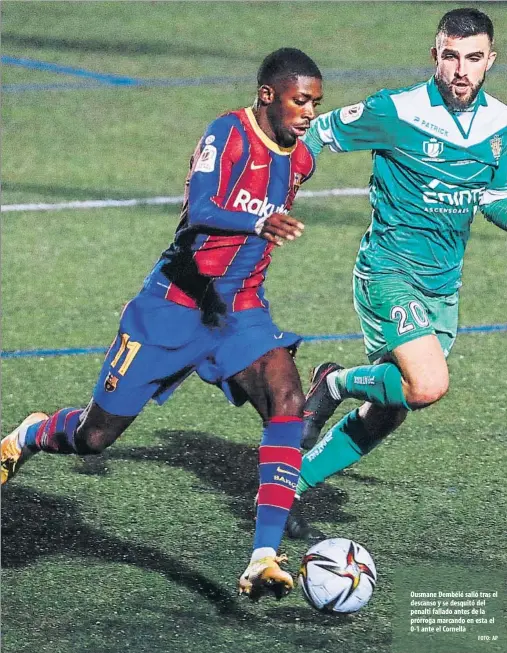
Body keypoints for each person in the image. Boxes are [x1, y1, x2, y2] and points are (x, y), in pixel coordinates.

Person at [1, 48, 324, 599]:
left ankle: (263, 555)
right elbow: (200, 209)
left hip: (238, 309)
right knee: (94, 437)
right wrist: (258, 220)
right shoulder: (227, 134)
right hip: (170, 307)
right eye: (301, 100)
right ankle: (30, 433)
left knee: (286, 398)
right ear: (268, 95)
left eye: (317, 102)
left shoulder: (300, 161)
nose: (310, 112)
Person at [285, 8, 507, 538]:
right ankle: (334, 384)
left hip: (442, 287)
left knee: (392, 409)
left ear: (489, 62)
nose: (461, 69)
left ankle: (292, 486)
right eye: (450, 56)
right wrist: (281, 191)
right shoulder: (396, 110)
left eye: (473, 58)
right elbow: (319, 134)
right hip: (388, 272)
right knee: (427, 384)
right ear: (436, 55)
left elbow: (496, 199)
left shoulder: (501, 125)